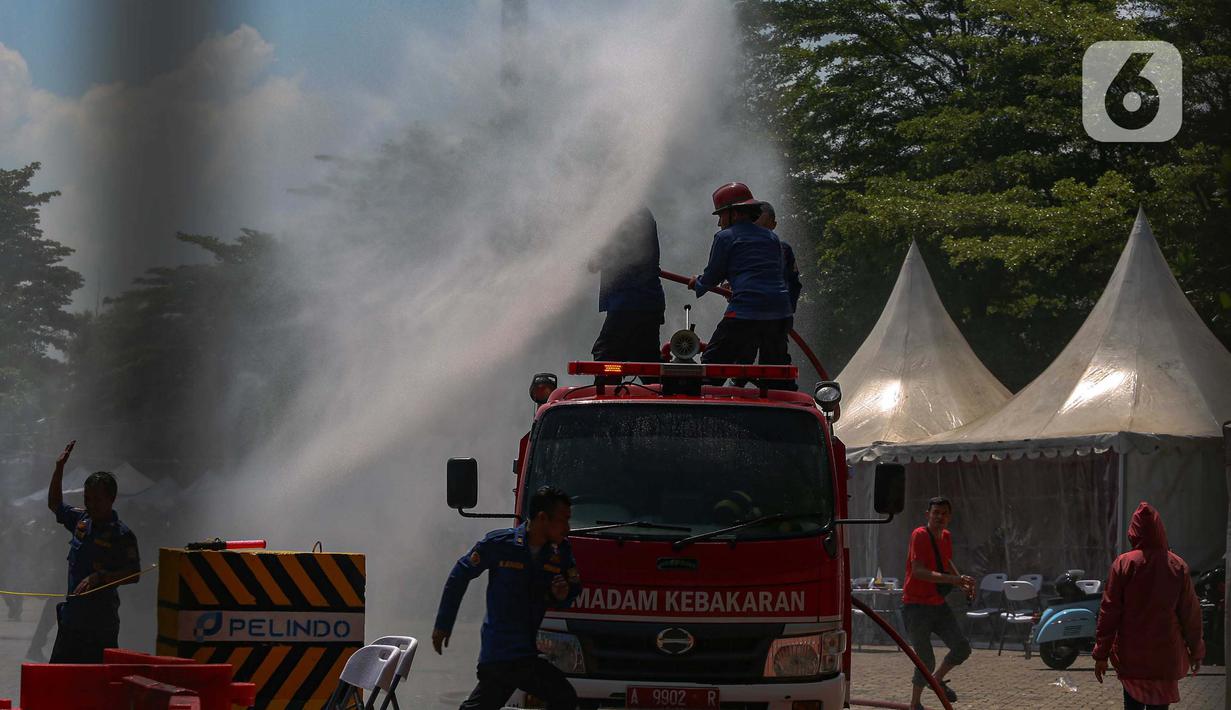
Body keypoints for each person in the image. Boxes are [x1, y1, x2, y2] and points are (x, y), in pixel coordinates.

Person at [433, 487, 583, 710]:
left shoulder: (560, 553)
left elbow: (572, 590)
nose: (568, 529)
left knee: (564, 699)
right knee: (563, 698)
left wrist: (560, 596)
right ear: (543, 518)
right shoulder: (500, 544)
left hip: (525, 653)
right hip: (500, 653)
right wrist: (443, 624)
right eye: (563, 520)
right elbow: (459, 575)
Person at [1093, 502, 1204, 710]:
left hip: (1131, 658)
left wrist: (1101, 655)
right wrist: (1196, 651)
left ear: (1133, 531)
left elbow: (1109, 612)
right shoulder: (1177, 565)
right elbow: (1190, 614)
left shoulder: (1123, 564)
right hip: (1165, 658)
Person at [689, 183, 795, 389]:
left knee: (712, 368)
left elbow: (713, 274)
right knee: (776, 375)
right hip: (780, 314)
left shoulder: (725, 237)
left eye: (721, 216)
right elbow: (772, 273)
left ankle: (704, 411)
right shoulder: (772, 238)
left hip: (745, 313)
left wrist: (698, 283)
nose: (719, 223)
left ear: (735, 213)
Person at [45, 440, 141, 663]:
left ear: (111, 499)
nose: (91, 504)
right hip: (71, 621)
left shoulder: (122, 535)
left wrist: (100, 577)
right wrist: (58, 469)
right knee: (60, 680)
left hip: (100, 626)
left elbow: (134, 573)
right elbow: (55, 504)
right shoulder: (81, 521)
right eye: (87, 498)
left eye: (97, 499)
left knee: (94, 684)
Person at [901, 496, 975, 710]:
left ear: (949, 517)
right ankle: (915, 704)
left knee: (961, 648)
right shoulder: (920, 535)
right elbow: (918, 571)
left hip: (937, 604)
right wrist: (954, 580)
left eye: (944, 514)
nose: (939, 517)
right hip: (916, 606)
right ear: (928, 515)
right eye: (936, 513)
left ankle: (937, 680)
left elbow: (946, 562)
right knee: (925, 659)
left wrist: (961, 581)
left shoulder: (946, 537)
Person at [588, 207, 666, 366]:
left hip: (629, 302)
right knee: (646, 361)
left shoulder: (631, 214)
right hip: (647, 301)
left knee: (606, 356)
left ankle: (608, 390)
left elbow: (626, 252)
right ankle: (658, 389)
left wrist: (599, 260)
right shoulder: (638, 213)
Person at [754, 202, 802, 318]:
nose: (761, 231)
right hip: (750, 311)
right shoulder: (743, 248)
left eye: (764, 226)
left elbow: (794, 282)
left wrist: (787, 311)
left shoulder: (784, 250)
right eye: (757, 226)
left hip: (774, 314)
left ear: (773, 225)